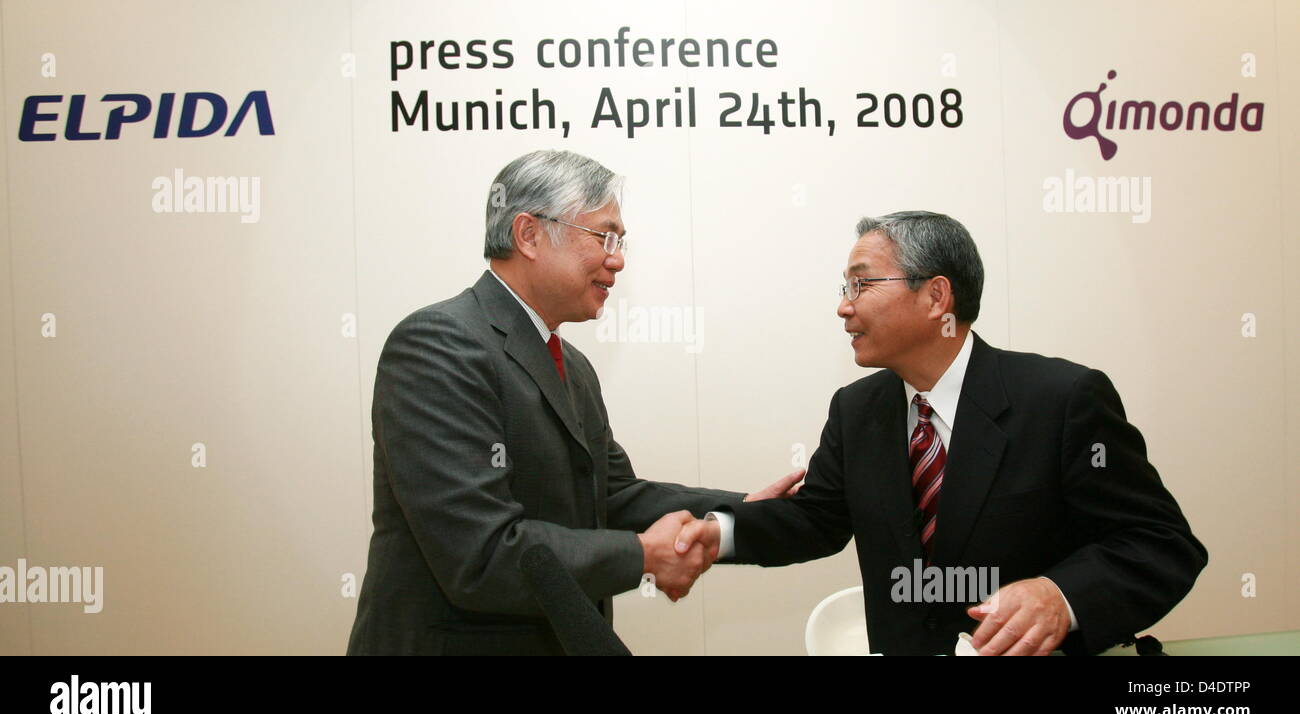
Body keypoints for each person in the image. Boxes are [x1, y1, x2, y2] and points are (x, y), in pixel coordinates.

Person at [674, 211, 1208, 655]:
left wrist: (1060, 595)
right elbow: (816, 519)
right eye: (845, 287)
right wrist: (720, 533)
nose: (844, 305)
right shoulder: (858, 409)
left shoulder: (1062, 399)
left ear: (936, 298)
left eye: (862, 283)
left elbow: (1161, 545)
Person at [346, 150, 800, 655]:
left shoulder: (572, 364)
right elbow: (480, 554)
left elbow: (614, 497)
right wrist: (642, 556)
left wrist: (741, 511)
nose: (618, 258)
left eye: (621, 241)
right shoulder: (438, 343)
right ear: (529, 234)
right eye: (603, 236)